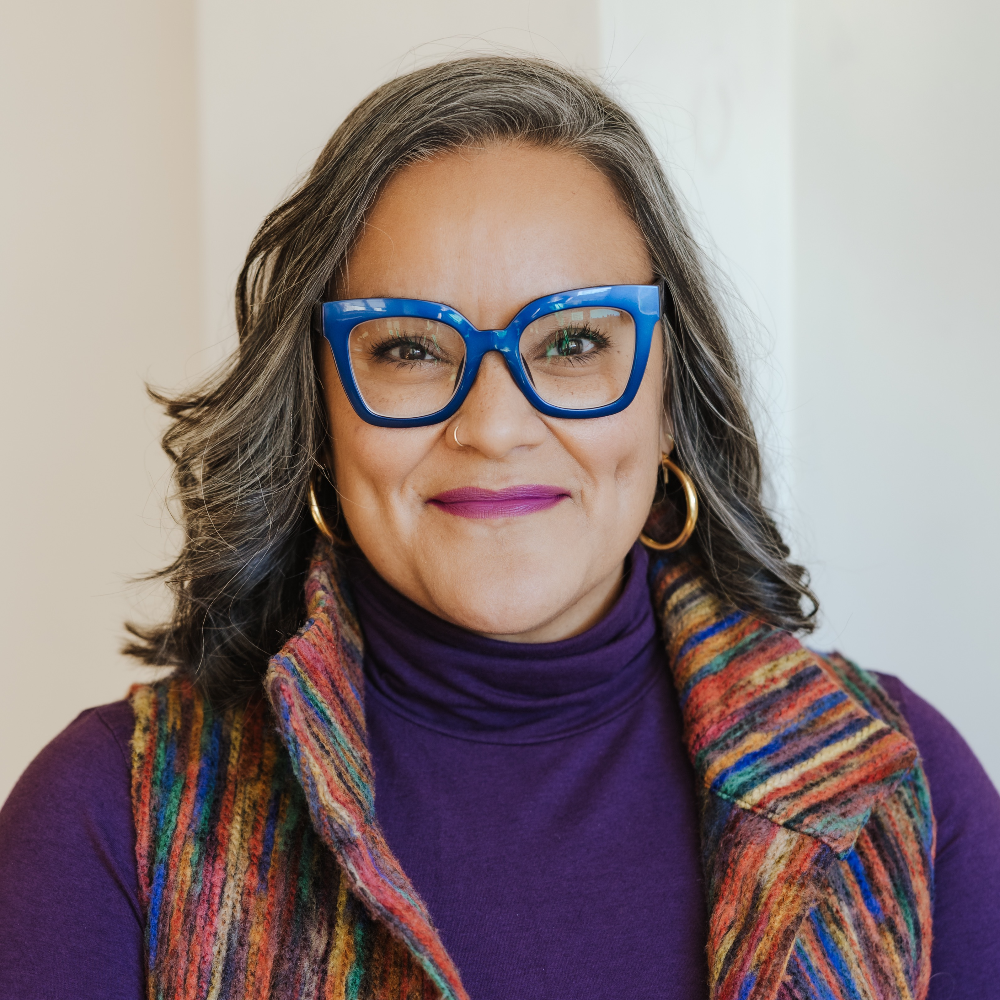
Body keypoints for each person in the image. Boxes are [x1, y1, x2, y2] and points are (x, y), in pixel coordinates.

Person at [1, 56, 997, 1000]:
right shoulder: (107, 813)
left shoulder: (898, 784)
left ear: (665, 397)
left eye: (570, 342)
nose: (493, 426)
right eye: (408, 349)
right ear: (317, 407)